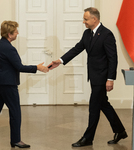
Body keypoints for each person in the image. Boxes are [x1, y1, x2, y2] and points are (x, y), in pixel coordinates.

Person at [48, 7, 127, 147]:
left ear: (94, 19)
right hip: (94, 76)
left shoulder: (107, 35)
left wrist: (110, 79)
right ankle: (120, 131)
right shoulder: (87, 33)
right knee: (103, 104)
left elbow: (112, 59)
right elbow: (77, 48)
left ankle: (88, 138)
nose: (83, 21)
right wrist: (59, 61)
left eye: (85, 19)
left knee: (94, 107)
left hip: (102, 78)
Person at [0, 20, 49, 148]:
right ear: (9, 34)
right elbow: (19, 67)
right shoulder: (9, 48)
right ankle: (16, 140)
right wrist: (37, 67)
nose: (17, 33)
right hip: (8, 85)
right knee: (15, 112)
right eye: (16, 31)